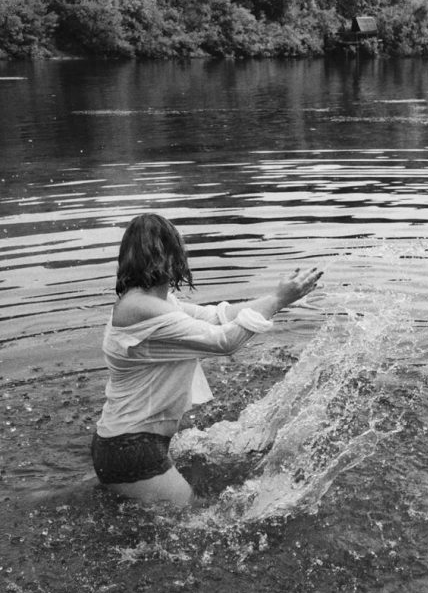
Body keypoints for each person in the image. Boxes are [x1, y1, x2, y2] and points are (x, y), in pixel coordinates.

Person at [92, 213, 322, 507]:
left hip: (125, 445)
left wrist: (279, 300)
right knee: (197, 518)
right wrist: (277, 300)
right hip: (132, 448)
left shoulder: (152, 301)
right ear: (173, 255)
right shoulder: (142, 308)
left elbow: (217, 316)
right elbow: (224, 342)